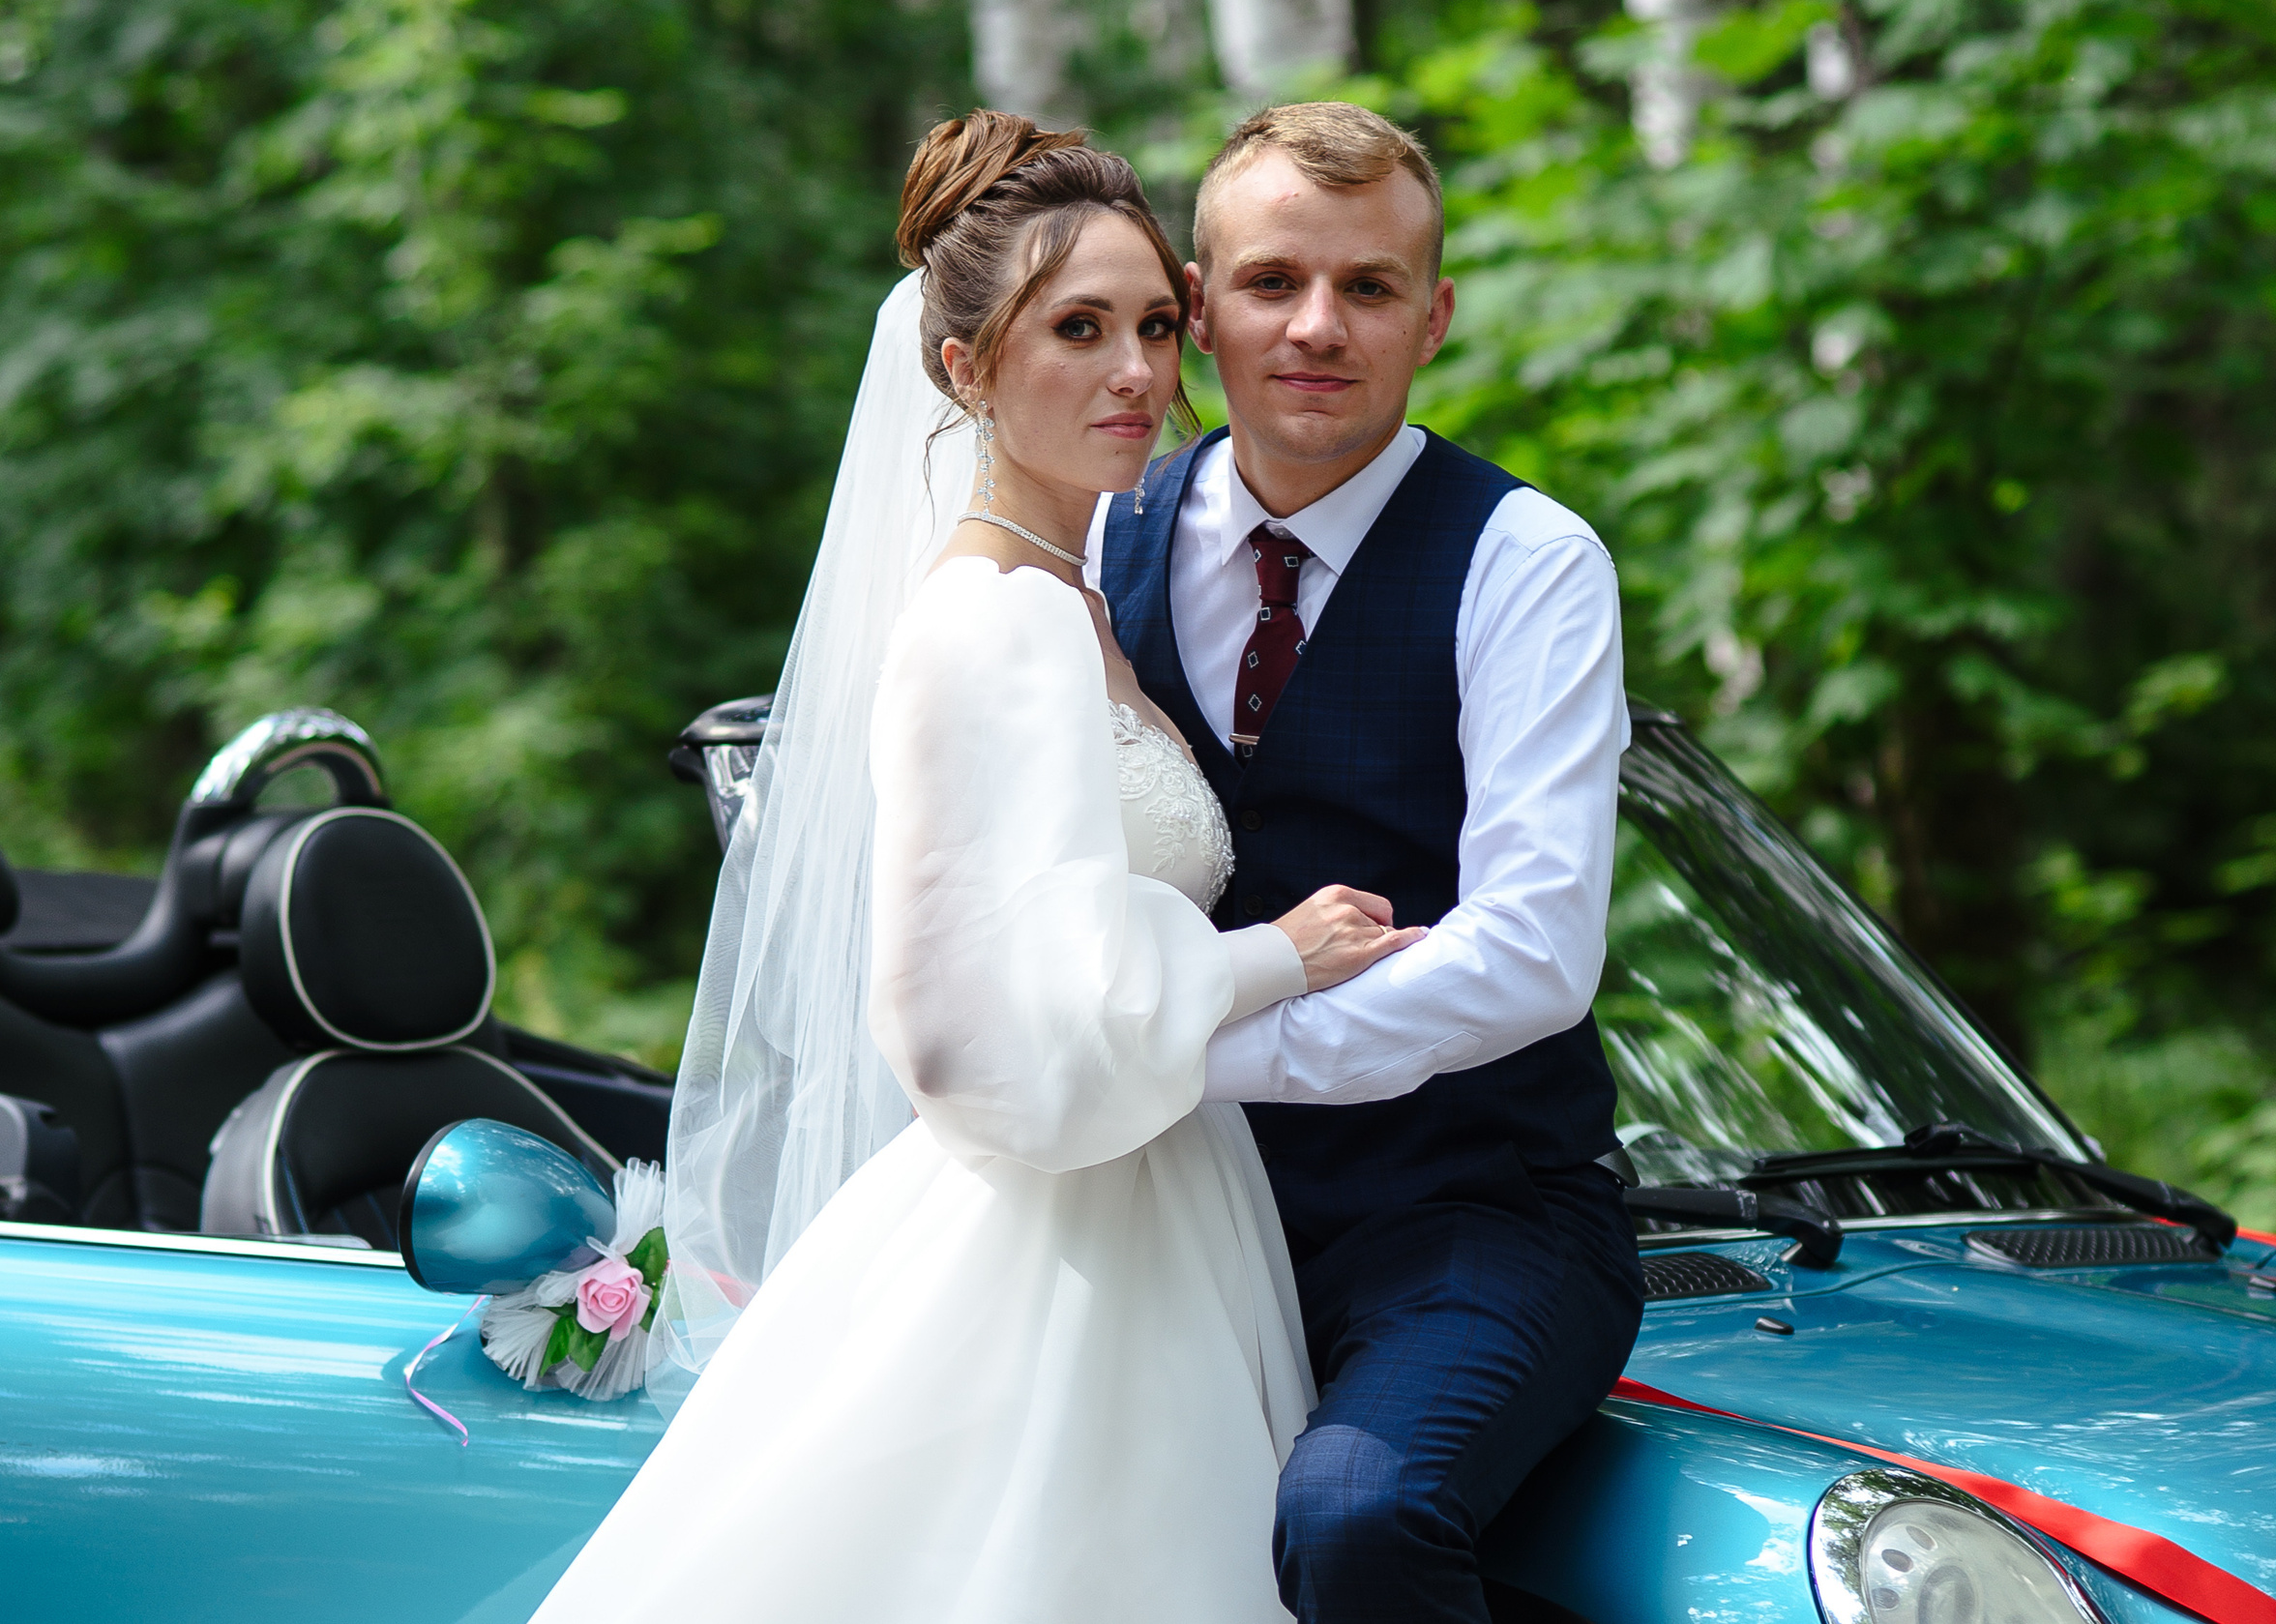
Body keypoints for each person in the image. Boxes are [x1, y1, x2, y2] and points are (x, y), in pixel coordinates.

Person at [529, 112, 1420, 1622]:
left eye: (1154, 323)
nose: (1138, 373)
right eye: (1077, 328)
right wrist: (1280, 953)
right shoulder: (987, 624)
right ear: (964, 367)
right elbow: (968, 1032)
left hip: (1166, 1209)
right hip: (1052, 1252)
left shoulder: (1075, 607)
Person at [1087, 102, 1642, 1624]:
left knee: (1358, 1511)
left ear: (1436, 315)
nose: (1318, 327)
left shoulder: (1527, 561)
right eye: (1272, 283)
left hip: (1473, 1217)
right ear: (1199, 308)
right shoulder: (1089, 545)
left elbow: (1530, 952)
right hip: (1155, 1211)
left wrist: (1197, 1058)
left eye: (1371, 287)